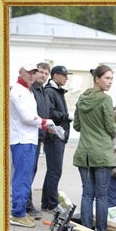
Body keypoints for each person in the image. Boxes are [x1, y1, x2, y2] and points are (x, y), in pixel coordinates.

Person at [9, 63, 55, 228]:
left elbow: (30, 117)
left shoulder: (25, 91)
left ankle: (19, 211)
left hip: (27, 139)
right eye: (29, 72)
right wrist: (45, 122)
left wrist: (43, 124)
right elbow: (27, 117)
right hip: (22, 140)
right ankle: (17, 213)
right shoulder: (18, 91)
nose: (32, 75)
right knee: (22, 178)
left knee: (25, 177)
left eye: (33, 72)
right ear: (20, 72)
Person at [72, 65, 116, 231]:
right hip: (102, 153)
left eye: (111, 78)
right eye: (107, 78)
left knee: (87, 194)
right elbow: (111, 127)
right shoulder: (105, 99)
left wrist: (89, 127)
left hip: (84, 152)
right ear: (96, 79)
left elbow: (76, 126)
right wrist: (110, 133)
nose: (110, 82)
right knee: (102, 195)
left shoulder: (81, 99)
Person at [41, 65, 73, 214]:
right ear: (55, 76)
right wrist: (66, 116)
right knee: (55, 171)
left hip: (58, 136)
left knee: (53, 171)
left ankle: (47, 202)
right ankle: (52, 204)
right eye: (64, 75)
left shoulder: (56, 91)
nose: (66, 78)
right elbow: (50, 113)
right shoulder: (50, 91)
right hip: (54, 136)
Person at [25, 61, 50, 219]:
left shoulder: (43, 92)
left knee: (31, 171)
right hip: (27, 137)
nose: (43, 75)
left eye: (46, 73)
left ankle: (25, 204)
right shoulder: (29, 91)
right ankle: (25, 206)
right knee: (26, 172)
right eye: (41, 72)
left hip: (39, 137)